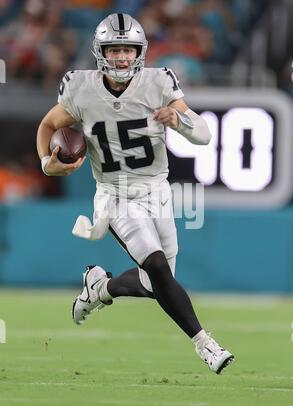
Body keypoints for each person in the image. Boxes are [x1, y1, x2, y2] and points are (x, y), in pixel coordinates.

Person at [36, 13, 234, 374]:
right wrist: (46, 161)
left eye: (128, 49)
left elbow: (204, 135)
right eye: (115, 50)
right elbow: (49, 124)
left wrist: (180, 121)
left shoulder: (158, 83)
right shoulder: (81, 88)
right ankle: (205, 344)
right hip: (114, 195)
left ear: (140, 52)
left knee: (155, 282)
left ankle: (101, 287)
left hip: (157, 191)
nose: (123, 57)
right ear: (101, 52)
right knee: (155, 264)